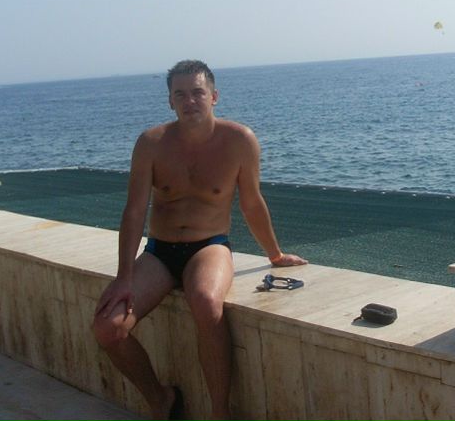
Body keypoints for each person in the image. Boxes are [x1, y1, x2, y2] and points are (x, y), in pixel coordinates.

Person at [92, 60, 307, 421]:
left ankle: (219, 412)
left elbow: (252, 203)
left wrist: (275, 254)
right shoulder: (151, 143)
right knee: (108, 328)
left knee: (207, 303)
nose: (189, 101)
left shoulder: (239, 140)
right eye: (180, 95)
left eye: (197, 92)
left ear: (214, 96)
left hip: (209, 247)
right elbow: (134, 211)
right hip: (159, 252)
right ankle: (160, 399)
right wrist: (124, 276)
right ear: (170, 101)